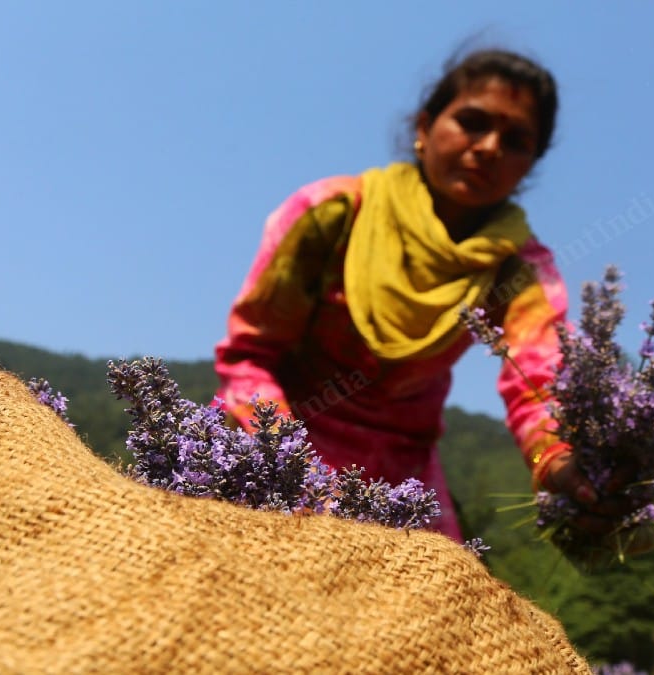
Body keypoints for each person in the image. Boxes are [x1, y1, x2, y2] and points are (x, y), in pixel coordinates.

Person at [214, 48, 603, 539]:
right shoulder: (331, 214)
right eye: (472, 122)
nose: (488, 147)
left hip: (404, 479)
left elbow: (539, 382)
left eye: (516, 140)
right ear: (424, 127)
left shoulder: (519, 268)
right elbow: (251, 358)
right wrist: (291, 471)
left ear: (529, 166)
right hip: (274, 444)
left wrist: (564, 460)